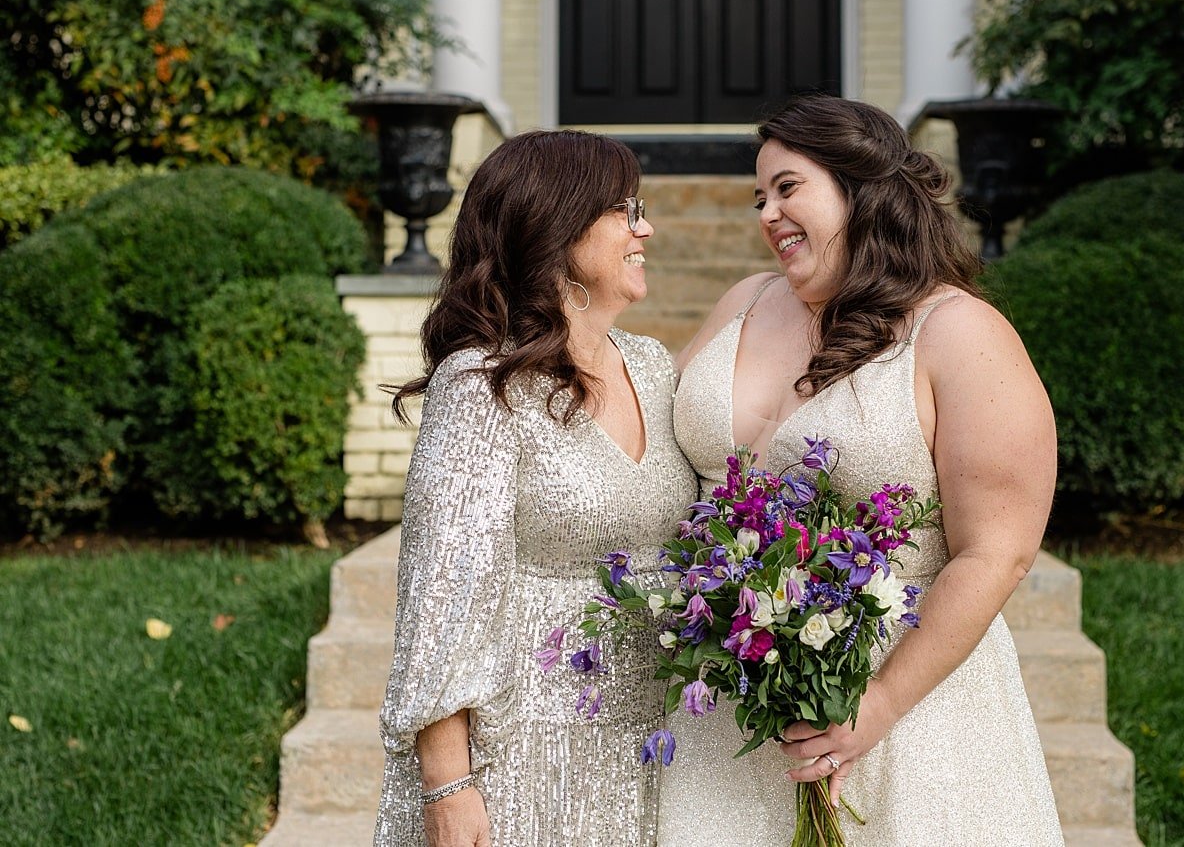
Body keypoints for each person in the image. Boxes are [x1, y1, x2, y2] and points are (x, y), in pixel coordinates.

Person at [661, 95, 1064, 845]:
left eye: (787, 187)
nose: (767, 214)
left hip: (902, 696)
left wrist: (871, 709)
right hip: (734, 698)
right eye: (758, 197)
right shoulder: (744, 302)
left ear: (861, 188)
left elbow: (997, 552)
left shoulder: (958, 332)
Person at [375, 130, 698, 847]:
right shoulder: (481, 386)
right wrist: (450, 788)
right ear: (555, 225)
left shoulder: (653, 366)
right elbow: (441, 602)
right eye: (623, 211)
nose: (646, 227)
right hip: (523, 760)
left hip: (655, 747)